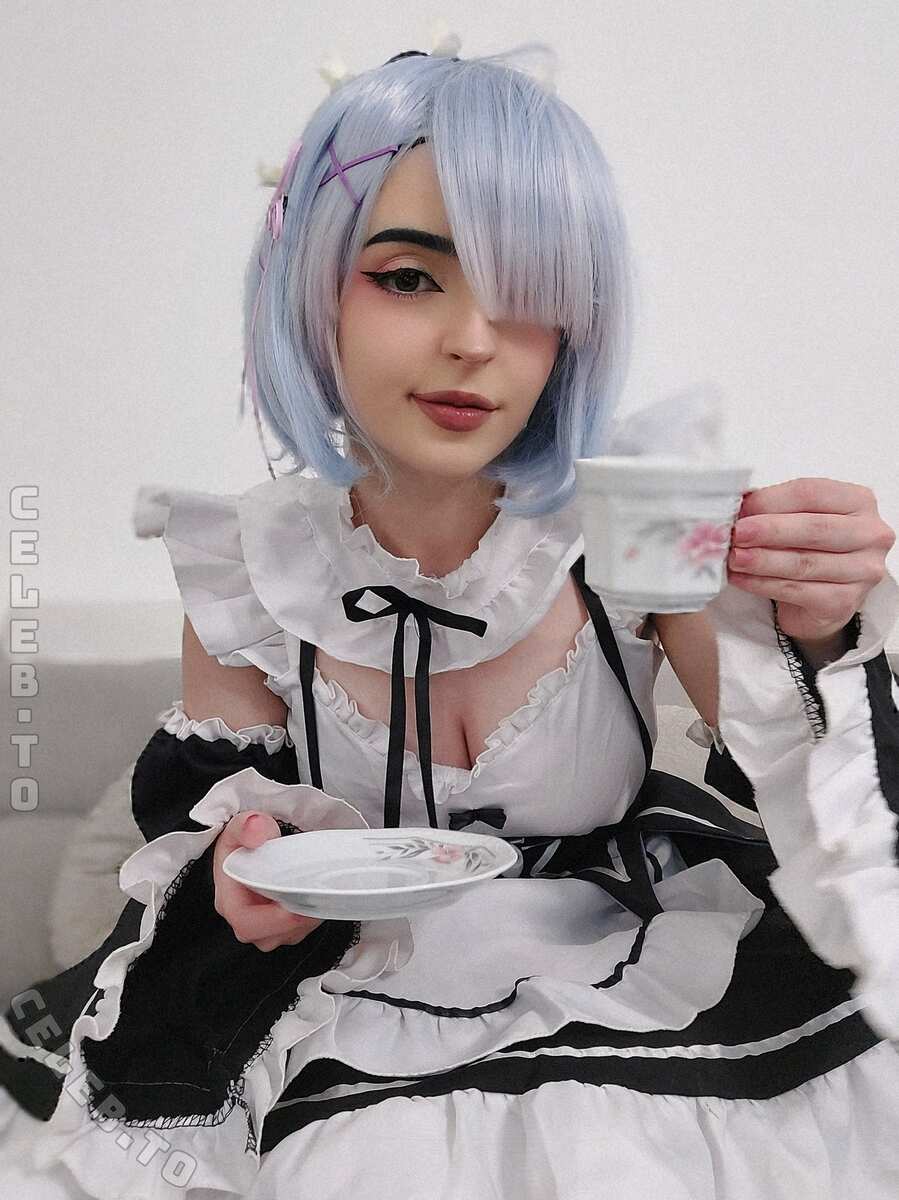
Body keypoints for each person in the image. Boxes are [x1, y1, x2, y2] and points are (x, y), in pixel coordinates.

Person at [1, 41, 898, 1200]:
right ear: (312, 286)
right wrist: (243, 878)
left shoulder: (627, 532)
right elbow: (224, 836)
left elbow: (815, 801)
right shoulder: (247, 568)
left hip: (628, 964)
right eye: (409, 277)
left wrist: (821, 626)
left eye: (527, 294)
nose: (474, 339)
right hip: (356, 990)